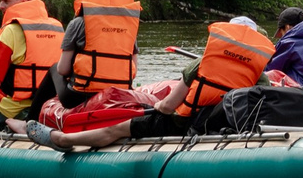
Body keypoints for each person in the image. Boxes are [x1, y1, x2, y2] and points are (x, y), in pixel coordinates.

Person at [29, 15, 275, 146]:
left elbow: (169, 106)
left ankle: (62, 139)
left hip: (183, 124)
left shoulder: (200, 64)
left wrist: (158, 106)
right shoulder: (259, 75)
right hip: (223, 127)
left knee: (117, 128)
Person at [52, 0, 141, 110]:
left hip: (81, 95)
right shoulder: (128, 25)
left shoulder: (77, 23)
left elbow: (63, 69)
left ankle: (30, 118)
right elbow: (133, 70)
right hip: (120, 93)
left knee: (54, 68)